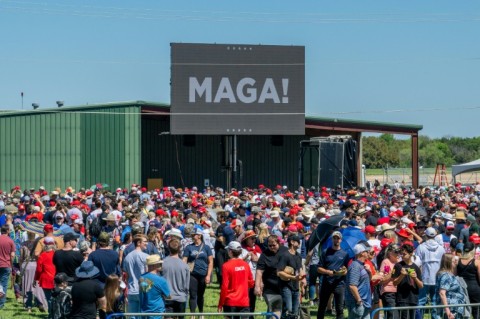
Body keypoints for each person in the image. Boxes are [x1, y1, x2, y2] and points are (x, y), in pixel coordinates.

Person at [316, 231, 349, 319]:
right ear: (332, 239)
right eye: (334, 238)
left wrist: (344, 272)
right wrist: (328, 272)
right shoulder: (325, 252)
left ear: (341, 240)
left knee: (340, 309)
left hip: (339, 283)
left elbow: (346, 269)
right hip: (327, 282)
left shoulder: (345, 254)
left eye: (338, 238)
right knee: (322, 306)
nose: (336, 240)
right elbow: (318, 268)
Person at [218, 241, 255, 319]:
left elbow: (224, 286)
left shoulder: (226, 266)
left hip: (230, 301)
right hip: (244, 301)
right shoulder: (245, 265)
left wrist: (220, 304)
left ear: (230, 252)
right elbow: (251, 283)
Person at [255, 235, 287, 319]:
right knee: (274, 307)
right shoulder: (264, 254)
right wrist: (257, 286)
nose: (272, 247)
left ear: (279, 243)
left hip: (285, 285)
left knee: (284, 308)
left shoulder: (285, 251)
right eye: (270, 245)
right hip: (270, 287)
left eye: (274, 245)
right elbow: (259, 271)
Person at [183, 228, 213, 313]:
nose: (192, 236)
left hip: (203, 274)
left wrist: (208, 275)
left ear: (199, 236)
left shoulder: (206, 248)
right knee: (192, 295)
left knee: (201, 295)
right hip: (192, 274)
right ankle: (192, 314)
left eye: (194, 235)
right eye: (192, 235)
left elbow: (210, 262)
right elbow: (184, 259)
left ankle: (201, 313)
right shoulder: (189, 247)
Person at [414, 227, 445, 312]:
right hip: (437, 278)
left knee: (421, 301)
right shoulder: (441, 248)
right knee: (435, 302)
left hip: (424, 278)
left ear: (426, 235)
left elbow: (416, 263)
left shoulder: (420, 247)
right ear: (435, 235)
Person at [277, 235, 306, 318]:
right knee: (288, 310)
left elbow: (300, 269)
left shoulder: (298, 255)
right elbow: (279, 272)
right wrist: (293, 277)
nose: (300, 243)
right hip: (286, 286)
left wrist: (303, 283)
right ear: (292, 242)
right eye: (298, 241)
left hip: (296, 287)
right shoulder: (285, 255)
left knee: (295, 312)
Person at [392, 243, 423, 319]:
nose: (402, 256)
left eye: (404, 254)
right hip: (402, 298)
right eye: (401, 254)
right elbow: (394, 282)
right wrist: (401, 275)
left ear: (411, 254)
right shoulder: (398, 266)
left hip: (413, 298)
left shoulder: (416, 267)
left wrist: (415, 278)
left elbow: (421, 285)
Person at [433, 254, 467, 319]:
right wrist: (448, 311)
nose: (455, 262)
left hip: (454, 308)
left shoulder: (446, 273)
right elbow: (442, 293)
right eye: (453, 260)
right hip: (451, 310)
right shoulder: (446, 275)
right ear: (448, 262)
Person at [163, 238, 190, 317]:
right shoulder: (185, 265)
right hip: (181, 297)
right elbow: (187, 285)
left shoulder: (163, 263)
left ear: (169, 248)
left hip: (167, 297)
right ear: (179, 249)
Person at [139, 254, 171, 319]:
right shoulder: (161, 280)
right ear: (154, 265)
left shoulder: (141, 278)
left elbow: (146, 292)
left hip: (144, 312)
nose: (161, 265)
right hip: (157, 313)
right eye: (159, 264)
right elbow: (168, 296)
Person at [123, 234, 148, 315]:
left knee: (132, 316)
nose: (146, 243)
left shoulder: (127, 257)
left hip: (131, 290)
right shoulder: (146, 257)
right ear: (138, 243)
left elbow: (126, 276)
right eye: (144, 242)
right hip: (143, 289)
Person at [345, 242, 372, 319]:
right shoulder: (355, 266)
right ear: (362, 253)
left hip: (365, 303)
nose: (368, 253)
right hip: (357, 303)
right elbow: (352, 286)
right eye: (366, 251)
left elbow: (367, 281)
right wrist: (359, 300)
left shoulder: (362, 265)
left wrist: (369, 272)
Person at [456, 241, 480, 319]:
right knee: (476, 312)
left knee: (461, 312)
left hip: (461, 289)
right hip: (474, 290)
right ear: (473, 250)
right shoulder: (477, 262)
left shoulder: (457, 261)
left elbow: (455, 275)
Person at [34, 236, 56, 313]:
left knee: (48, 298)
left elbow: (39, 270)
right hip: (56, 279)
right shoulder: (56, 254)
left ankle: (51, 314)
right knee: (55, 298)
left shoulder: (42, 255)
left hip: (46, 279)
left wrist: (35, 279)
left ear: (45, 245)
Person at [379, 244, 400, 319]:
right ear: (390, 253)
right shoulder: (386, 262)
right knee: (393, 316)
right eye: (396, 252)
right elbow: (383, 279)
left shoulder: (399, 262)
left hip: (398, 291)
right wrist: (393, 272)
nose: (398, 254)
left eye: (399, 252)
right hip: (389, 292)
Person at [0, 224, 15, 309]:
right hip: (6, 264)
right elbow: (12, 255)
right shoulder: (10, 241)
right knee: (3, 284)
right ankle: (1, 304)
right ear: (8, 231)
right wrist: (11, 265)